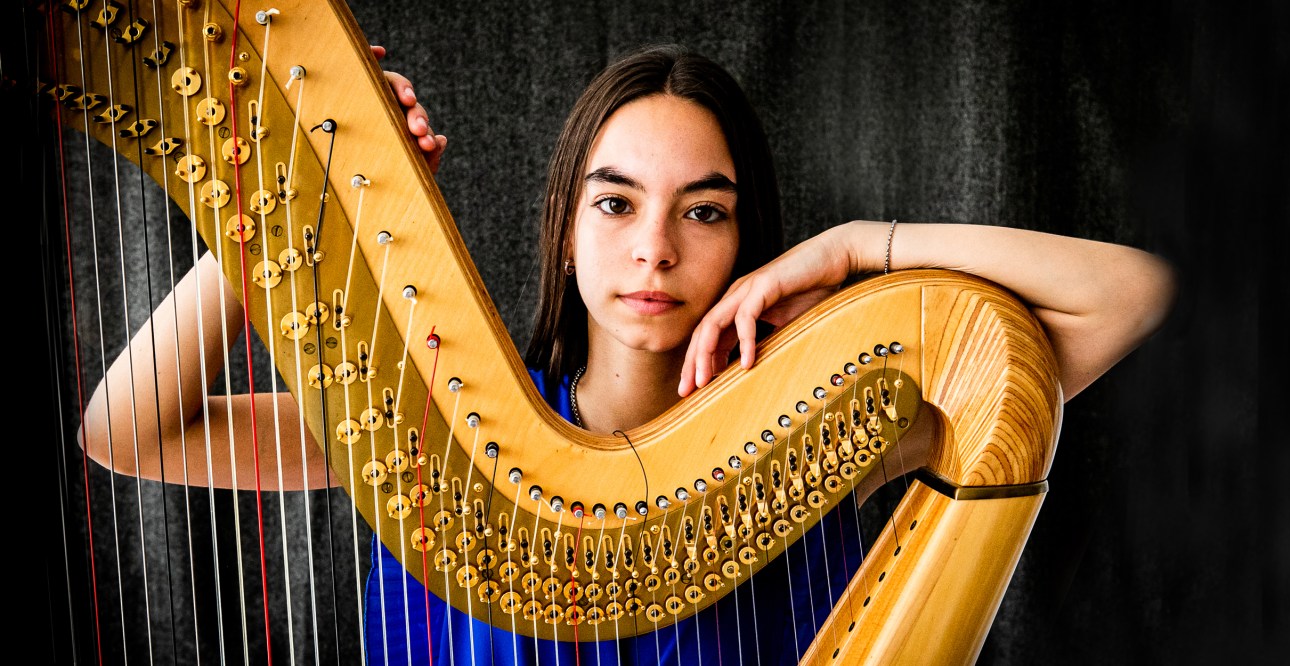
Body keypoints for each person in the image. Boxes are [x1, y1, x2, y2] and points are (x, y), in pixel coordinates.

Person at [79, 44, 1175, 665]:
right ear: (565, 227)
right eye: (616, 203)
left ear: (748, 241)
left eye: (705, 211)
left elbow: (1131, 292)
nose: (655, 247)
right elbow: (126, 430)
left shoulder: (828, 441)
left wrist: (856, 249)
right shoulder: (428, 441)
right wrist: (286, 206)